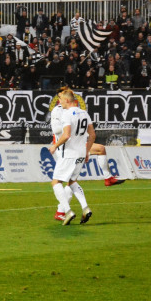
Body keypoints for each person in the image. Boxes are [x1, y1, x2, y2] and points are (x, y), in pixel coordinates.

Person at [47, 88, 94, 225]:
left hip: (69, 153)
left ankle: (67, 211)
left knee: (56, 182)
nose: (59, 102)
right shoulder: (84, 113)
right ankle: (85, 208)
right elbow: (92, 134)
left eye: (61, 99)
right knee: (72, 182)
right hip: (81, 152)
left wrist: (55, 146)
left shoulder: (67, 114)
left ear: (67, 100)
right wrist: (87, 151)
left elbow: (66, 135)